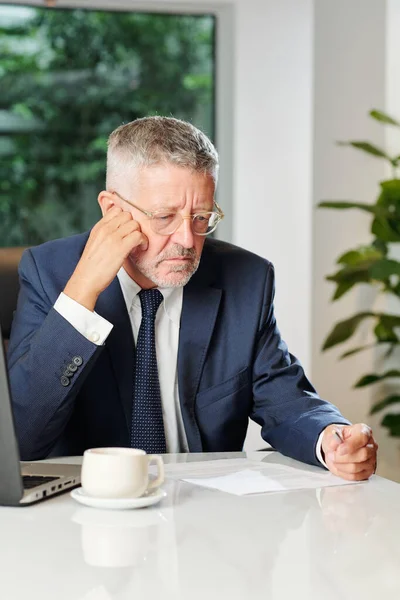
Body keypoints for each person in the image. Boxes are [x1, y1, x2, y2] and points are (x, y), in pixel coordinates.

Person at [7, 116, 377, 480]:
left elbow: (285, 398)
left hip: (202, 515)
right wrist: (82, 293)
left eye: (201, 217)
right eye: (165, 216)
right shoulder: (51, 273)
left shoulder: (246, 279)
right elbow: (22, 438)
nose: (186, 239)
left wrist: (331, 438)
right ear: (112, 210)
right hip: (85, 512)